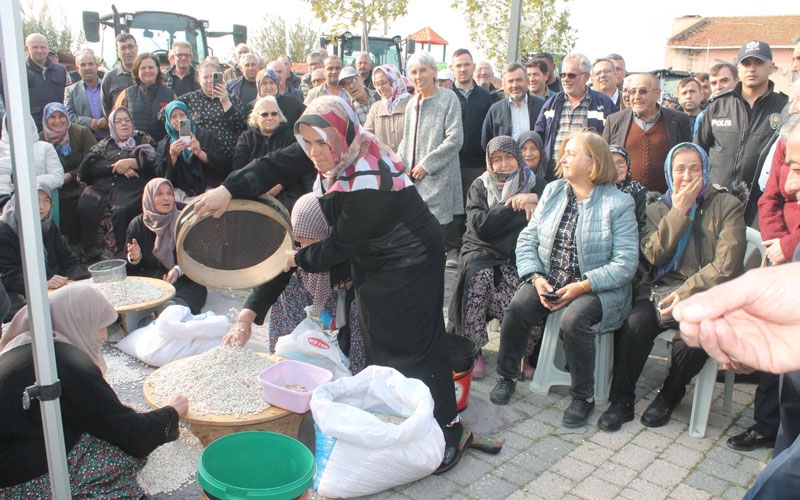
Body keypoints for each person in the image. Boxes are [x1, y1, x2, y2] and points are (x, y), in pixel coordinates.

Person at [489, 129, 638, 432]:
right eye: (564, 152)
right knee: (517, 307)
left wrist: (583, 286)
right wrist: (536, 277)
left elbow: (625, 263)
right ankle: (507, 376)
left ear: (593, 162)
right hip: (551, 278)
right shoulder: (554, 191)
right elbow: (528, 239)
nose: (563, 158)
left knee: (574, 319)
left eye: (572, 153)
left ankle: (583, 396)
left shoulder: (618, 203)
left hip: (596, 287)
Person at [597, 143, 746, 432]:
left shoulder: (727, 205)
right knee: (635, 323)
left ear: (705, 171)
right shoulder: (657, 207)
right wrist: (679, 211)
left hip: (707, 292)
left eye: (694, 169)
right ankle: (621, 401)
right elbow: (653, 254)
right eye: (680, 169)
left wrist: (687, 292)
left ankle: (669, 395)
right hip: (660, 290)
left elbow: (726, 264)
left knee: (695, 336)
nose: (687, 176)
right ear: (669, 173)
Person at [0, 285, 188, 497]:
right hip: (17, 479)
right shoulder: (65, 363)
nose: (104, 334)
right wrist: (170, 413)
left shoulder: (25, 347)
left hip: (13, 453)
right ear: (78, 320)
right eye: (100, 325)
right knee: (115, 453)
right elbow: (129, 433)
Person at [223, 192, 365, 374]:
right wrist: (244, 321)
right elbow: (271, 283)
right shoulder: (294, 251)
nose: (302, 250)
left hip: (340, 321)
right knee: (290, 285)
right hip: (302, 315)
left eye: (311, 242)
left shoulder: (353, 258)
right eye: (299, 243)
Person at [447, 136, 544, 379]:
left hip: (517, 256)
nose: (503, 164)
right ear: (489, 163)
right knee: (478, 277)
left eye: (509, 157)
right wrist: (514, 205)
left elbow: (554, 206)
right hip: (481, 250)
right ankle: (474, 351)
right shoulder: (480, 186)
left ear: (518, 158)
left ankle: (521, 353)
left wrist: (535, 199)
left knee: (529, 294)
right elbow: (482, 226)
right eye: (496, 159)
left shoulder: (536, 185)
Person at [695, 40, 788, 225]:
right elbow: (699, 153)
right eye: (746, 63)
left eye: (758, 62)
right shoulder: (718, 106)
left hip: (760, 209)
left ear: (771, 67)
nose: (751, 69)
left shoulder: (784, 108)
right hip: (714, 202)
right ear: (738, 68)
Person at [398, 51, 465, 261]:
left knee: (440, 225)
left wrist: (427, 165)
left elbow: (455, 139)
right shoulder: (412, 103)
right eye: (414, 72)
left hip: (438, 174)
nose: (418, 76)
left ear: (434, 71)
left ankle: (446, 256)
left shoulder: (448, 98)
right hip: (413, 177)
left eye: (423, 70)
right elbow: (406, 138)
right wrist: (401, 164)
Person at [77, 107, 157, 260]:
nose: (124, 124)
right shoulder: (105, 144)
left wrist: (131, 163)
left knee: (123, 209)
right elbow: (90, 165)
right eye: (118, 121)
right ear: (112, 125)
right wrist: (117, 167)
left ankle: (121, 253)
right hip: (104, 187)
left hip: (132, 187)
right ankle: (90, 250)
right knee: (86, 203)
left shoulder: (142, 139)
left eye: (127, 120)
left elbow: (152, 160)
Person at [0, 185, 89, 321]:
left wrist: (74, 281)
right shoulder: (5, 230)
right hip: (19, 292)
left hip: (53, 288)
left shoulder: (48, 225)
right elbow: (9, 274)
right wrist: (42, 284)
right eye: (35, 200)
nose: (41, 206)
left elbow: (68, 259)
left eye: (47, 200)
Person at [125, 178, 207, 313]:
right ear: (149, 198)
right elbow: (130, 269)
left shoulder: (184, 222)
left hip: (181, 280)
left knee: (189, 294)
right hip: (149, 280)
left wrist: (178, 270)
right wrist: (135, 258)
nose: (166, 198)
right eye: (159, 194)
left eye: (170, 193)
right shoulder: (137, 225)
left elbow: (197, 257)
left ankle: (172, 310)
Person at [603, 73, 693, 193]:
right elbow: (603, 161)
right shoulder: (614, 121)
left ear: (657, 94)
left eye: (643, 91)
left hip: (666, 197)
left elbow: (687, 158)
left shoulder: (678, 120)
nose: (636, 97)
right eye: (632, 92)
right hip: (624, 198)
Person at [534, 53, 615, 180]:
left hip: (587, 175)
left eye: (571, 75)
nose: (566, 79)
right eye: (562, 75)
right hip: (553, 173)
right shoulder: (551, 103)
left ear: (586, 77)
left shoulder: (604, 104)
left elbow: (612, 139)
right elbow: (539, 136)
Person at [232, 96, 306, 210]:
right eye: (264, 114)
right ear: (255, 118)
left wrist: (281, 185)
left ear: (280, 116)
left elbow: (297, 168)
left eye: (274, 114)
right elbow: (238, 167)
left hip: (285, 190)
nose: (270, 118)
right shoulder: (246, 138)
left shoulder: (290, 136)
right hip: (252, 190)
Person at [39, 102, 97, 242]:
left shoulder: (82, 133)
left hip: (80, 186)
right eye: (52, 117)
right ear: (46, 120)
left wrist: (71, 175)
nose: (58, 121)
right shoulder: (40, 140)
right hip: (53, 191)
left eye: (61, 116)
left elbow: (94, 161)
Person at [154, 101, 227, 200]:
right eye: (173, 116)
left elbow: (223, 166)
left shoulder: (206, 136)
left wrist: (200, 153)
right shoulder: (164, 144)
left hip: (207, 188)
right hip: (179, 192)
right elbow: (160, 176)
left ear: (188, 116)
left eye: (182, 115)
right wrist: (173, 156)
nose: (179, 119)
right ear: (168, 120)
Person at [179, 60, 245, 159]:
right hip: (199, 155)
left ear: (221, 78)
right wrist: (185, 134)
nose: (210, 80)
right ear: (199, 80)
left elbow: (239, 126)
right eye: (205, 77)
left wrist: (225, 101)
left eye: (213, 76)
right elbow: (166, 114)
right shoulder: (190, 98)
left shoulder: (233, 99)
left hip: (227, 155)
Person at [0, 114, 64, 208]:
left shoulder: (45, 147)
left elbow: (58, 177)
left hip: (35, 201)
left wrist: (26, 183)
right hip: (3, 201)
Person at [114, 53, 177, 142]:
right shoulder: (126, 95)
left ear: (158, 69)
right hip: (134, 147)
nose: (147, 71)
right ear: (137, 71)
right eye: (143, 68)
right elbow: (115, 122)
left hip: (163, 146)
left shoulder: (170, 95)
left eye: (151, 67)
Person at [481, 62, 545, 148]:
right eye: (510, 81)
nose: (515, 85)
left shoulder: (542, 106)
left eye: (519, 80)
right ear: (504, 85)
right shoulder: (495, 110)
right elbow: (486, 143)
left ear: (527, 81)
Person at [25, 33, 68, 132]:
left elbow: (68, 98)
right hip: (35, 128)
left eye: (43, 47)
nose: (40, 50)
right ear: (27, 48)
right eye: (35, 47)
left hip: (59, 126)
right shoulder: (21, 73)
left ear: (48, 48)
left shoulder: (61, 70)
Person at [364, 64, 411, 153]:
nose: (380, 88)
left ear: (394, 80)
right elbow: (367, 136)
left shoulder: (411, 103)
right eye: (377, 84)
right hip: (384, 160)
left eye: (384, 83)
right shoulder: (376, 108)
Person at [65, 49, 109, 140]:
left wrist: (107, 119)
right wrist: (89, 122)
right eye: (83, 65)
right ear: (77, 69)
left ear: (96, 66)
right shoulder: (70, 91)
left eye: (90, 64)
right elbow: (68, 116)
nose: (87, 68)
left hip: (109, 139)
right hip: (83, 142)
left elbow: (117, 109)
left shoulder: (108, 86)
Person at [609, 144, 647, 235]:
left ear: (628, 165)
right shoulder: (596, 193)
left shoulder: (640, 193)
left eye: (620, 162)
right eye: (610, 163)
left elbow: (645, 229)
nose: (616, 167)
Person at [102, 33, 138, 116]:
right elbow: (107, 108)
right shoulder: (110, 78)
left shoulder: (146, 75)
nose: (128, 52)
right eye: (123, 48)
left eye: (131, 47)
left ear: (137, 48)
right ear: (117, 52)